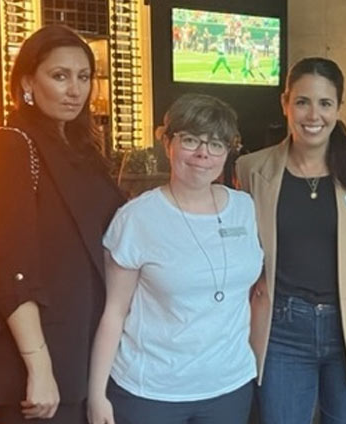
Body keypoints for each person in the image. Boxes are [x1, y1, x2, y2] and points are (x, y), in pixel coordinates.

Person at [235, 57, 346, 424]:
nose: (313, 114)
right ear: (285, 103)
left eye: (325, 103)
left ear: (338, 108)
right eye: (302, 102)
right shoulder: (252, 169)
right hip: (282, 329)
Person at [0, 25, 124, 424]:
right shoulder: (7, 146)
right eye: (60, 76)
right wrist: (39, 368)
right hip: (40, 359)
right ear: (26, 83)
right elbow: (10, 267)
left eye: (84, 76)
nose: (75, 89)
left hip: (86, 348)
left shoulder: (81, 149)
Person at [87, 93, 263, 424]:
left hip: (229, 386)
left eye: (215, 144)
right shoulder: (137, 218)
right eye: (191, 140)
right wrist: (97, 396)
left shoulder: (244, 209)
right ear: (168, 143)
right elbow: (114, 312)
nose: (202, 154)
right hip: (151, 391)